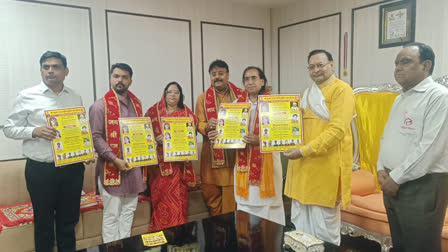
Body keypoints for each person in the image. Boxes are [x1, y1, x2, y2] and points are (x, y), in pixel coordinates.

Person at [3, 51, 92, 252]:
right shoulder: (27, 95)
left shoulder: (74, 96)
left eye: (56, 67)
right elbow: (8, 128)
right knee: (43, 223)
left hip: (72, 168)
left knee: (69, 222)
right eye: (46, 67)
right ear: (41, 70)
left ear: (66, 71)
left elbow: (77, 130)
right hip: (41, 170)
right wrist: (34, 131)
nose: (50, 71)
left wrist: (83, 151)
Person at [377, 43, 448, 252]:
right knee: (401, 244)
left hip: (422, 185)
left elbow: (431, 147)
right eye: (396, 63)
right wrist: (381, 167)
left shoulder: (439, 97)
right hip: (392, 181)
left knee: (420, 246)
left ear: (426, 66)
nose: (398, 67)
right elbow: (387, 136)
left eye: (405, 62)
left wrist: (397, 177)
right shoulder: (400, 99)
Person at [283, 49, 355, 245]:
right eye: (311, 66)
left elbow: (337, 131)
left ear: (331, 65)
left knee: (324, 231)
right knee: (300, 231)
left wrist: (303, 151)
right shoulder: (308, 93)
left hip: (324, 170)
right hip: (301, 170)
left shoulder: (342, 90)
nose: (316, 70)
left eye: (320, 65)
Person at [89, 63, 147, 244]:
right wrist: (114, 159)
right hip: (111, 167)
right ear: (110, 78)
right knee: (112, 214)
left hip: (133, 168)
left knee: (128, 212)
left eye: (124, 77)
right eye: (116, 76)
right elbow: (95, 137)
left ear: (130, 80)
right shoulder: (100, 106)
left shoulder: (137, 105)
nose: (119, 80)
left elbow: (140, 133)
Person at [196, 60, 246, 250]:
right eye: (213, 74)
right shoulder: (202, 98)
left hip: (233, 159)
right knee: (211, 200)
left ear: (228, 75)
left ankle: (231, 243)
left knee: (229, 208)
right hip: (210, 159)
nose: (217, 77)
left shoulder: (241, 96)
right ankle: (217, 241)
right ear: (210, 76)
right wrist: (205, 126)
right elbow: (199, 122)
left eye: (221, 73)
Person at [235, 66, 285, 251]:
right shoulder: (235, 105)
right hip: (243, 167)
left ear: (262, 81)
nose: (250, 82)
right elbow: (229, 135)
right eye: (246, 79)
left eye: (254, 78)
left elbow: (284, 137)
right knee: (245, 213)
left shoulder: (275, 105)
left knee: (269, 214)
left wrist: (260, 140)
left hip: (268, 168)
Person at [145, 81, 197, 231]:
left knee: (177, 201)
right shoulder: (153, 113)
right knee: (160, 203)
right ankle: (161, 235)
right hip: (158, 167)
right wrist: (156, 139)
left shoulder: (187, 114)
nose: (173, 95)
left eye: (176, 92)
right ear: (164, 94)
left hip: (178, 166)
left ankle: (177, 235)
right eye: (170, 92)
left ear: (180, 96)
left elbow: (190, 139)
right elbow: (143, 135)